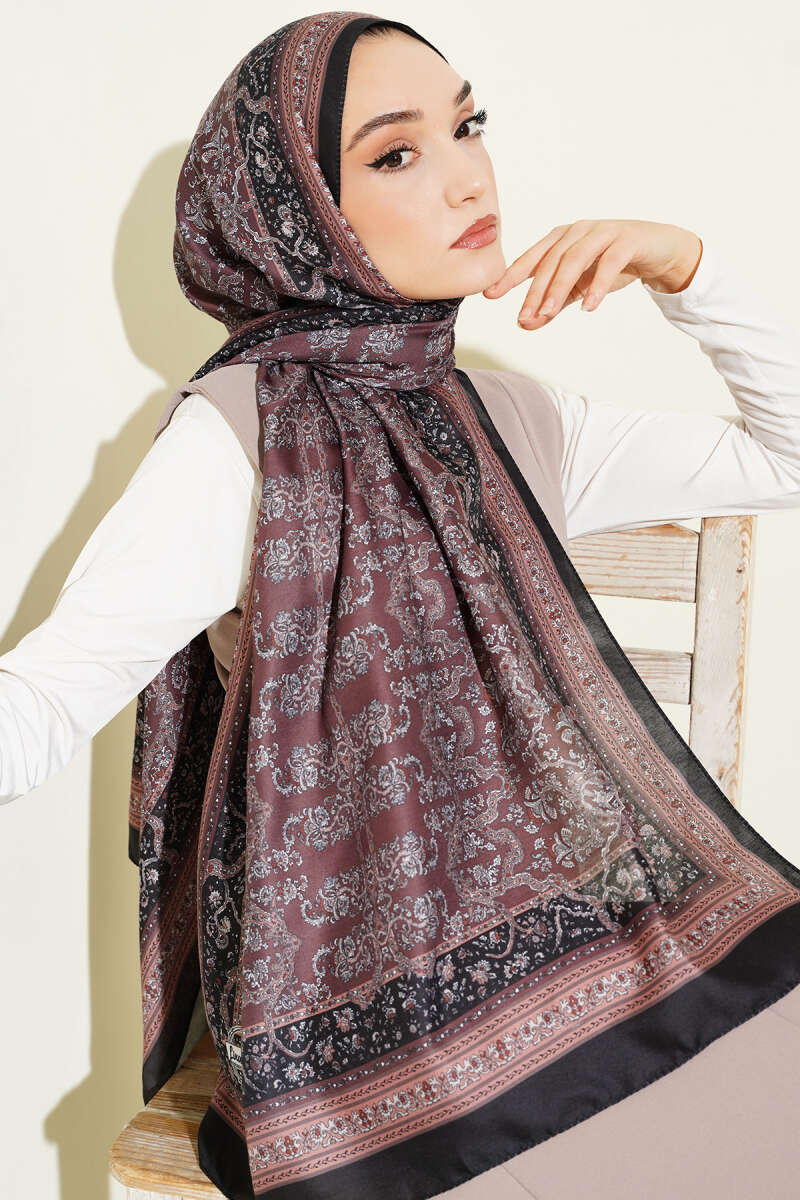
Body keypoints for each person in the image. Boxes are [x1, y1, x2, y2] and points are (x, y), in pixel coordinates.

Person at [4, 13, 800, 1200]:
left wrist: (687, 269)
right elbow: (43, 700)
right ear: (298, 220)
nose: (467, 175)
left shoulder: (510, 417)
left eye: (468, 126)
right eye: (395, 154)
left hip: (602, 945)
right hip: (365, 1035)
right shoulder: (237, 444)